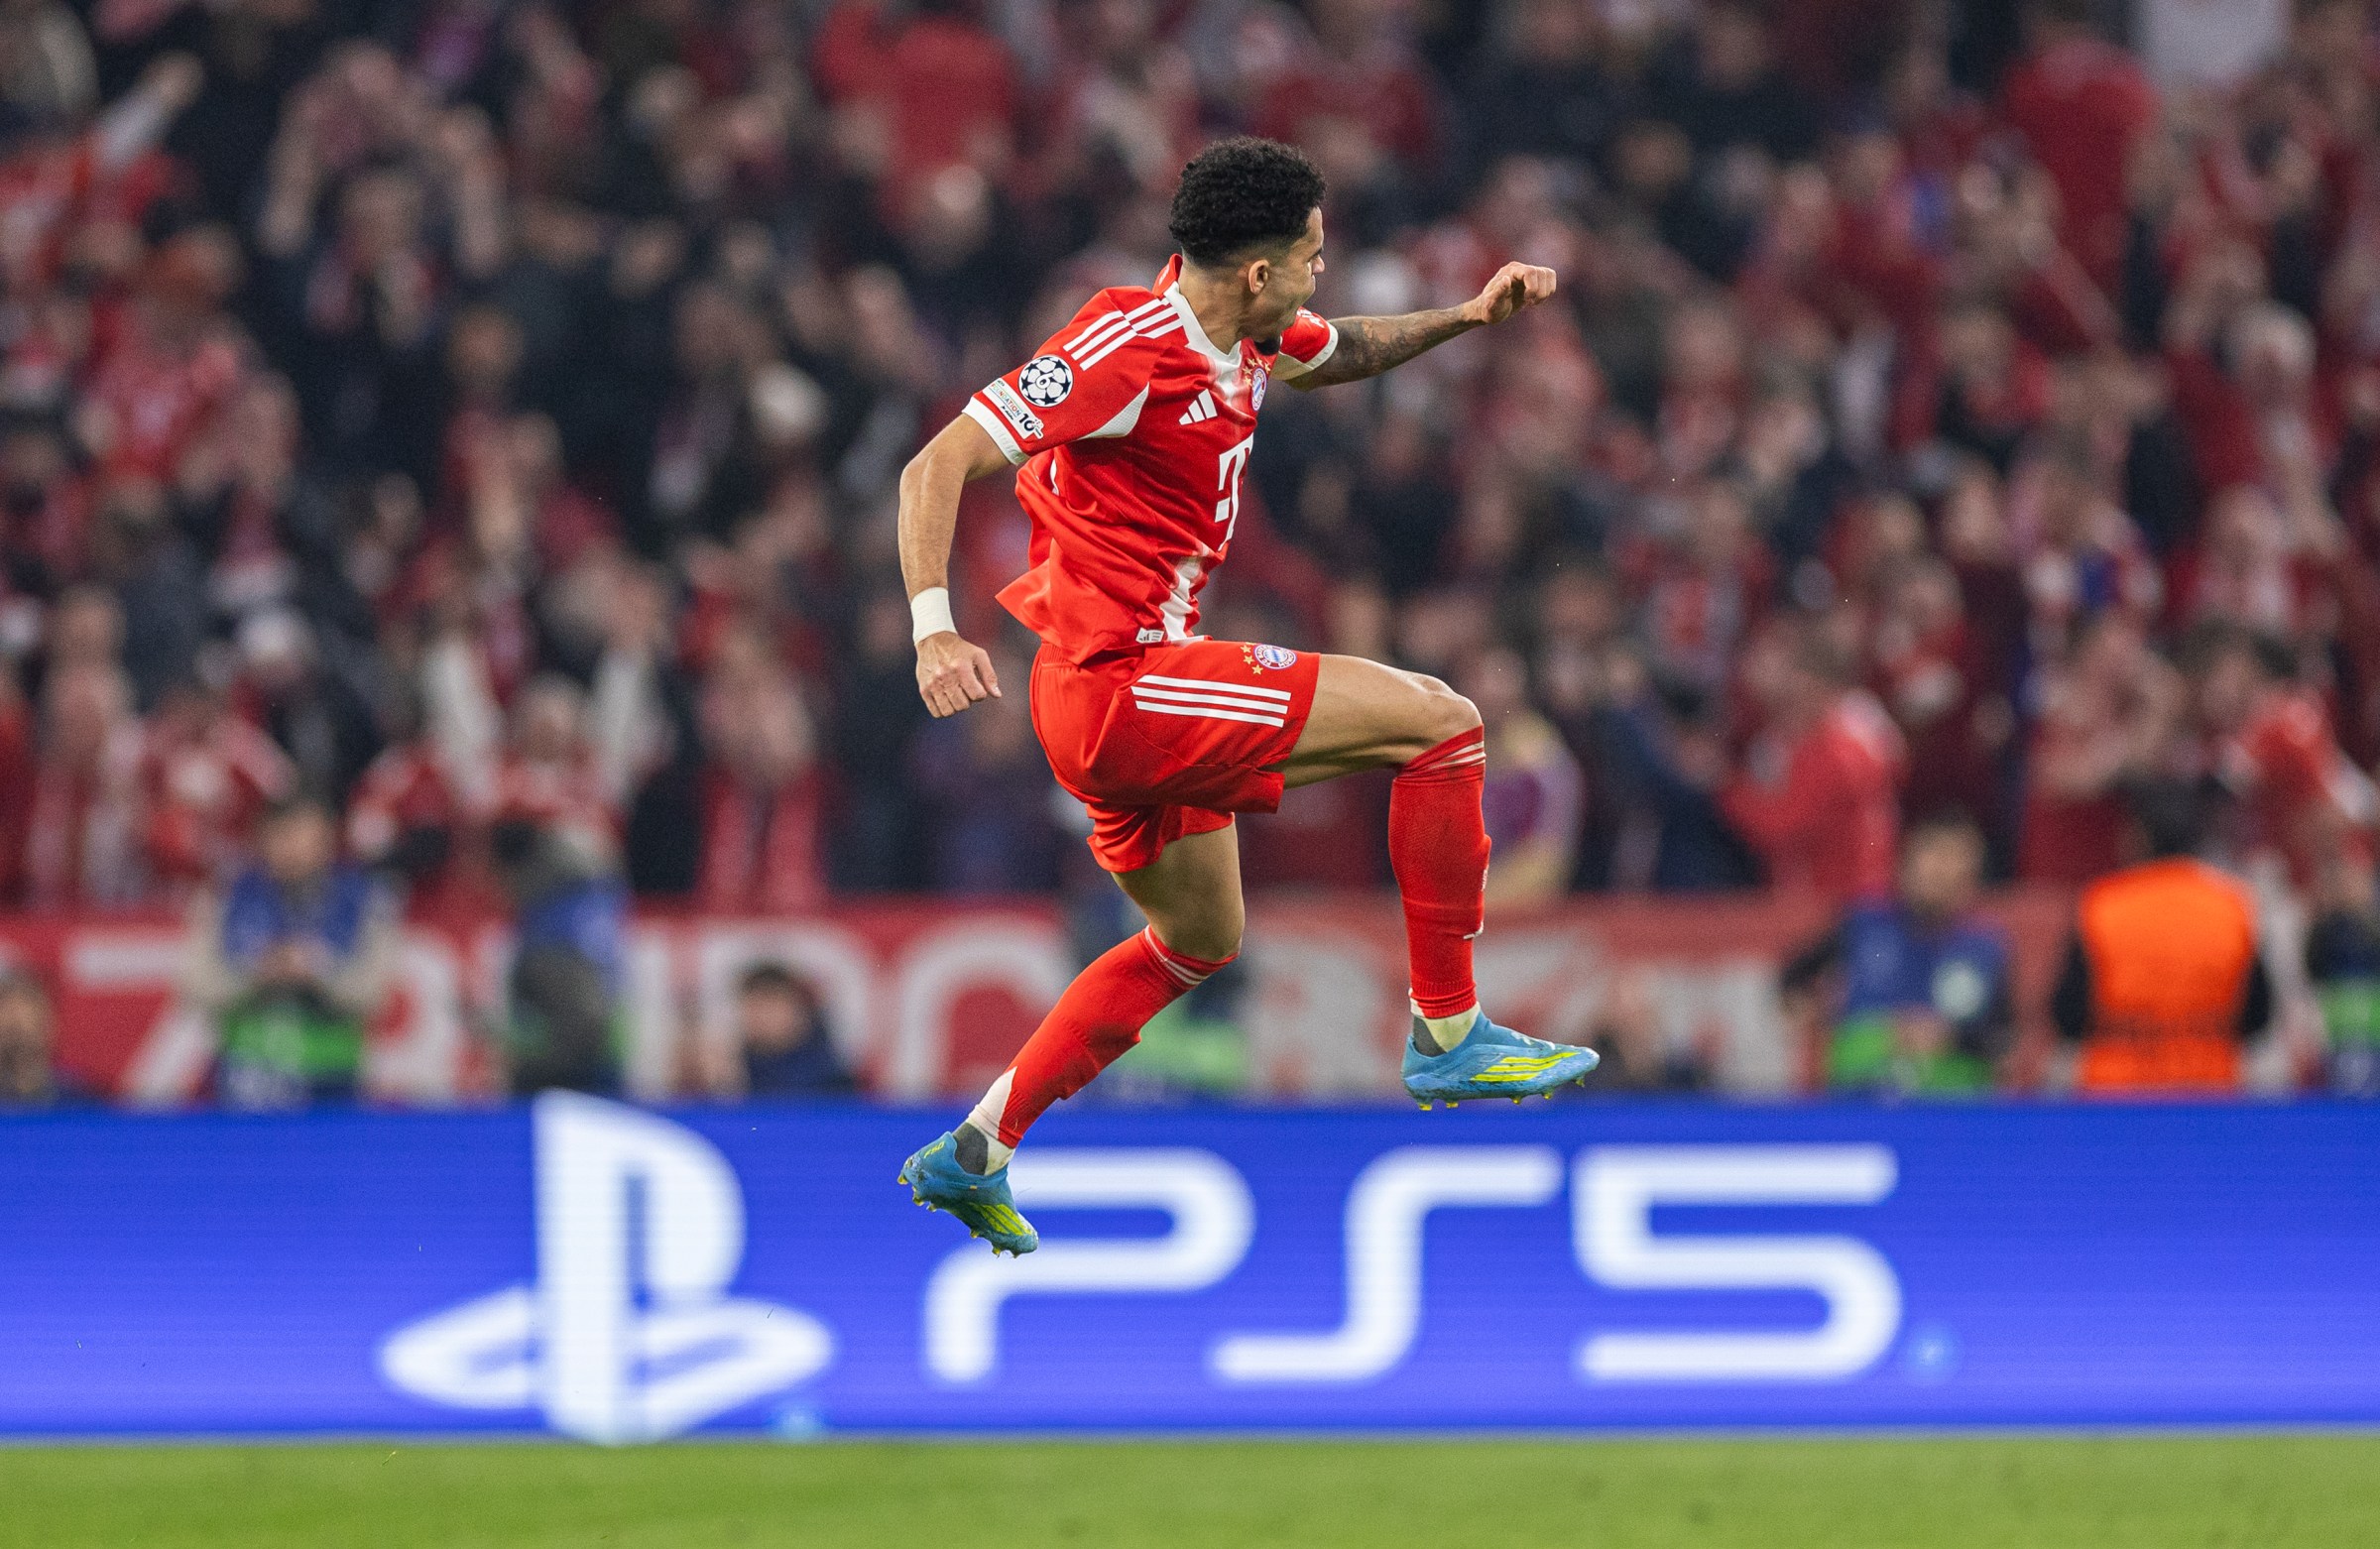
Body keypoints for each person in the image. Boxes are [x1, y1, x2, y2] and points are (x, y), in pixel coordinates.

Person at [892, 138, 1596, 1254]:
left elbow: (1343, 351)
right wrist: (935, 632)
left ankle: (977, 1146)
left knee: (1199, 936)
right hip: (1121, 681)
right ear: (1259, 270)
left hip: (1110, 696)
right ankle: (1448, 1027)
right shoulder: (1125, 346)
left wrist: (1466, 317)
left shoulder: (1252, 328)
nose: (1326, 270)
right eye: (1315, 253)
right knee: (1445, 723)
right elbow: (932, 467)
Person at [2051, 780, 2273, 1094]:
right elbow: (2258, 1016)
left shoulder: (2102, 905)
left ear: (2140, 837)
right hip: (2209, 1096)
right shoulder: (2234, 907)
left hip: (2116, 1099)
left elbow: (2068, 1016)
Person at [182, 792, 397, 1110]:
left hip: (331, 1079)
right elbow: (197, 987)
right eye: (281, 835)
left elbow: (373, 995)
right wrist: (257, 973)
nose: (292, 848)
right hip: (245, 1079)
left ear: (327, 839)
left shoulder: (362, 902)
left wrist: (317, 970)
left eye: (303, 835)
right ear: (261, 839)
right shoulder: (227, 899)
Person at [1779, 814, 2014, 1095]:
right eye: (1934, 854)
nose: (1941, 870)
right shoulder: (1863, 924)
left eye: (1955, 859)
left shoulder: (1986, 948)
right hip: (1859, 1100)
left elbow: (2003, 1038)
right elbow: (1793, 981)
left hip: (1950, 1108)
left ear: (1972, 876)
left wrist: (1948, 1037)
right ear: (1905, 860)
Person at [728, 963, 858, 1099]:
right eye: (753, 1006)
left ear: (797, 1010)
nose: (761, 1017)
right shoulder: (735, 1065)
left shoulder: (831, 1078)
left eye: (770, 1005)